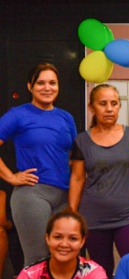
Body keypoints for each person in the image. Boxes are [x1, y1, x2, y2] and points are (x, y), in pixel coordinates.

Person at [68, 84, 129, 279]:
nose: (109, 109)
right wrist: (72, 212)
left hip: (128, 216)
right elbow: (77, 178)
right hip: (93, 218)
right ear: (92, 108)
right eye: (103, 104)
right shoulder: (82, 140)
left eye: (114, 103)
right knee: (101, 274)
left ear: (119, 106)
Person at [0, 63, 76, 266]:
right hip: (32, 194)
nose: (47, 88)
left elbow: (73, 157)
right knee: (38, 260)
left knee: (63, 259)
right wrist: (10, 177)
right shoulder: (18, 114)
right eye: (40, 83)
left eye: (52, 83)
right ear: (30, 86)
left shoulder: (66, 117)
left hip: (64, 196)